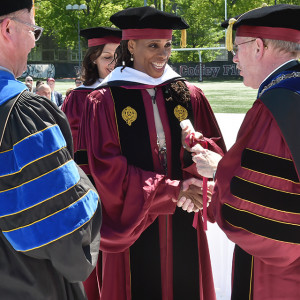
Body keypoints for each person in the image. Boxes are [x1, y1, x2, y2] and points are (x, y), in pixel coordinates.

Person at [77, 6, 226, 300]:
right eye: (153, 45)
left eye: (168, 45)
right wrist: (171, 191)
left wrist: (197, 177)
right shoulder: (105, 101)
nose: (163, 54)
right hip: (135, 224)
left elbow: (217, 151)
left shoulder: (189, 95)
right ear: (130, 45)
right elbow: (106, 170)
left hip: (185, 214)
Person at [186, 4, 300, 300]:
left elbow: (269, 203)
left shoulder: (276, 106)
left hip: (280, 274)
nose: (234, 58)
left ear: (259, 47)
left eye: (237, 48)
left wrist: (218, 169)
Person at [0, 1, 101, 299]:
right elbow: (67, 234)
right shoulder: (20, 114)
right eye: (33, 29)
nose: (34, 41)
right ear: (7, 28)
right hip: (25, 283)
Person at [62, 26, 122, 153]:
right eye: (107, 57)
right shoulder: (79, 97)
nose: (115, 63)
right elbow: (75, 143)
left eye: (119, 56)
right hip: (95, 170)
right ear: (93, 58)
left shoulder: (133, 91)